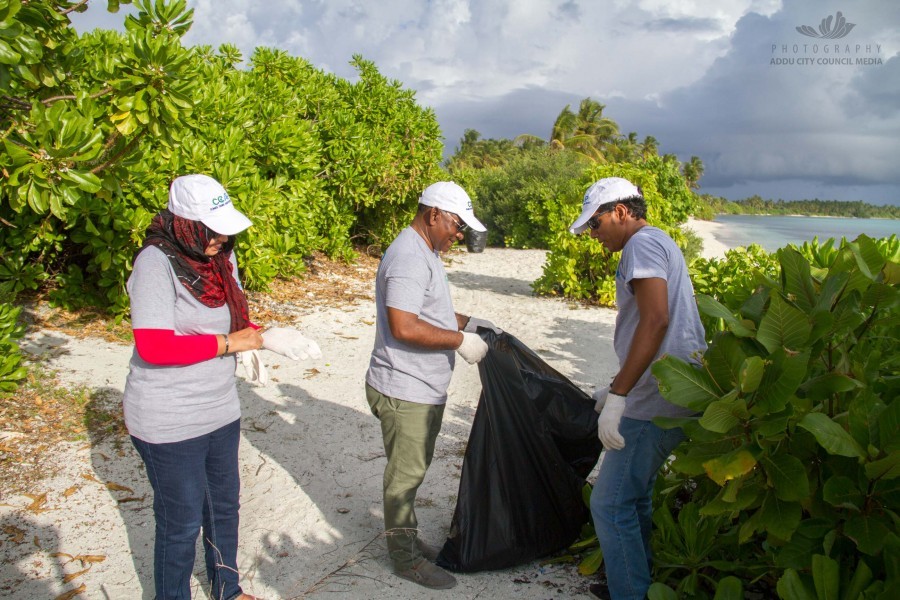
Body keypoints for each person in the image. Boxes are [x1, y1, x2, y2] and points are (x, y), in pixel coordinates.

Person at [124, 173, 319, 600]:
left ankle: (227, 589)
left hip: (218, 408)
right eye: (212, 230)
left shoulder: (220, 258)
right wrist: (232, 343)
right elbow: (154, 345)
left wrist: (264, 334)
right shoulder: (155, 264)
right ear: (185, 224)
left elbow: (233, 319)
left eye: (226, 230)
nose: (221, 238)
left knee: (223, 508)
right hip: (168, 416)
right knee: (181, 522)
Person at [568, 177, 706, 600]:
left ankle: (631, 594)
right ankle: (635, 584)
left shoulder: (641, 246)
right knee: (636, 496)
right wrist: (615, 388)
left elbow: (656, 320)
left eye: (596, 224)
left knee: (609, 505)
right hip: (676, 389)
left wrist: (622, 396)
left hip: (656, 399)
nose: (594, 236)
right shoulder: (659, 241)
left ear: (622, 212)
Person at [364, 181, 499, 590]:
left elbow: (429, 310)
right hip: (405, 388)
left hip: (420, 386)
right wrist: (461, 342)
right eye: (457, 225)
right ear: (433, 214)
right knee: (405, 477)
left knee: (412, 470)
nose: (459, 234)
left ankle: (404, 534)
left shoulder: (425, 251)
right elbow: (404, 326)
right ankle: (404, 559)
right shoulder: (409, 256)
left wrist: (468, 322)